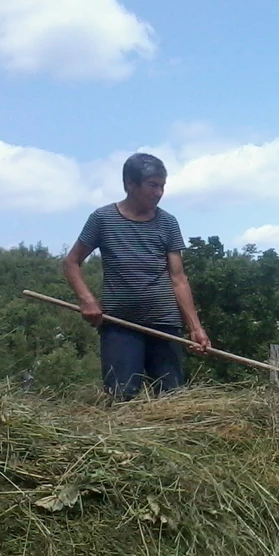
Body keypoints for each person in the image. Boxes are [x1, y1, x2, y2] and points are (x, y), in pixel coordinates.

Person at [63, 152, 211, 399]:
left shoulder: (168, 223)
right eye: (152, 185)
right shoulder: (103, 219)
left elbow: (178, 278)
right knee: (121, 397)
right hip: (120, 324)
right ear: (129, 184)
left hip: (164, 323)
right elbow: (71, 262)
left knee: (171, 399)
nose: (158, 192)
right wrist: (86, 299)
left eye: (162, 186)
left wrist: (195, 328)